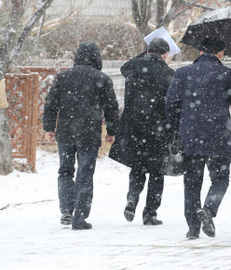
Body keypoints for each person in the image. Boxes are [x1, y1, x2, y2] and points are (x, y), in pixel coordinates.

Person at [165, 36, 231, 240]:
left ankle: (193, 227)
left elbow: (170, 103)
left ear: (200, 52)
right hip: (219, 135)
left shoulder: (183, 73)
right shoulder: (227, 74)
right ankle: (209, 209)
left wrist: (177, 127)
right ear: (220, 53)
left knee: (192, 182)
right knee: (220, 178)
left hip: (191, 135)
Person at [42, 42, 119, 230]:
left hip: (66, 132)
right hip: (89, 133)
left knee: (65, 171)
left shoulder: (63, 77)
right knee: (85, 173)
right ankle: (80, 217)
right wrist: (111, 131)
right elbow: (111, 107)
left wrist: (49, 128)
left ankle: (67, 211)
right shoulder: (101, 78)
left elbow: (51, 104)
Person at [109, 38, 175, 225]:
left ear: (148, 51)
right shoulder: (169, 73)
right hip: (158, 129)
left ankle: (132, 198)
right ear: (166, 54)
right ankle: (150, 213)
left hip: (134, 127)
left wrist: (144, 55)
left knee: (137, 167)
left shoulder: (134, 67)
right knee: (156, 172)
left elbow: (125, 67)